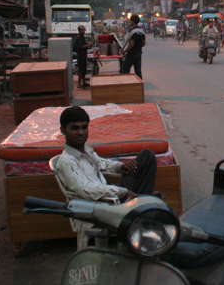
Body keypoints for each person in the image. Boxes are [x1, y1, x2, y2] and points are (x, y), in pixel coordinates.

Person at [53, 106, 157, 249]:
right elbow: (86, 190)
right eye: (75, 128)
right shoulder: (67, 161)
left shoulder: (87, 150)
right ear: (63, 130)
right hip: (98, 207)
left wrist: (121, 167)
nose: (81, 132)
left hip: (111, 199)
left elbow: (101, 163)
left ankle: (143, 206)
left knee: (147, 156)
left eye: (84, 127)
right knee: (151, 201)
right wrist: (123, 192)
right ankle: (144, 210)